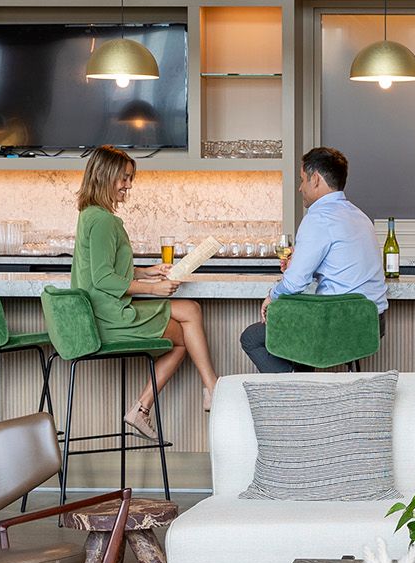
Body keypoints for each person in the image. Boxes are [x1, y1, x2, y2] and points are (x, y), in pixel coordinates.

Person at [71, 146, 220, 425]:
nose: (129, 185)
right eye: (124, 178)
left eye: (130, 178)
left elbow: (100, 269)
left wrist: (146, 272)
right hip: (110, 317)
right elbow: (102, 279)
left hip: (99, 311)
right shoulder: (103, 221)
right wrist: (153, 288)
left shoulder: (89, 214)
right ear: (104, 176)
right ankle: (196, 393)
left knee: (191, 310)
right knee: (182, 335)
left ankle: (207, 389)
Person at [241, 146, 388, 373]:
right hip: (371, 323)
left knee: (251, 338)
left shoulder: (318, 218)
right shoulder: (360, 216)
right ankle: (304, 383)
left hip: (338, 325)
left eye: (302, 180)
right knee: (302, 335)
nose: (300, 188)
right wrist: (298, 262)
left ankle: (296, 390)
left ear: (316, 179)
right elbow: (339, 267)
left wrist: (272, 295)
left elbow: (295, 284)